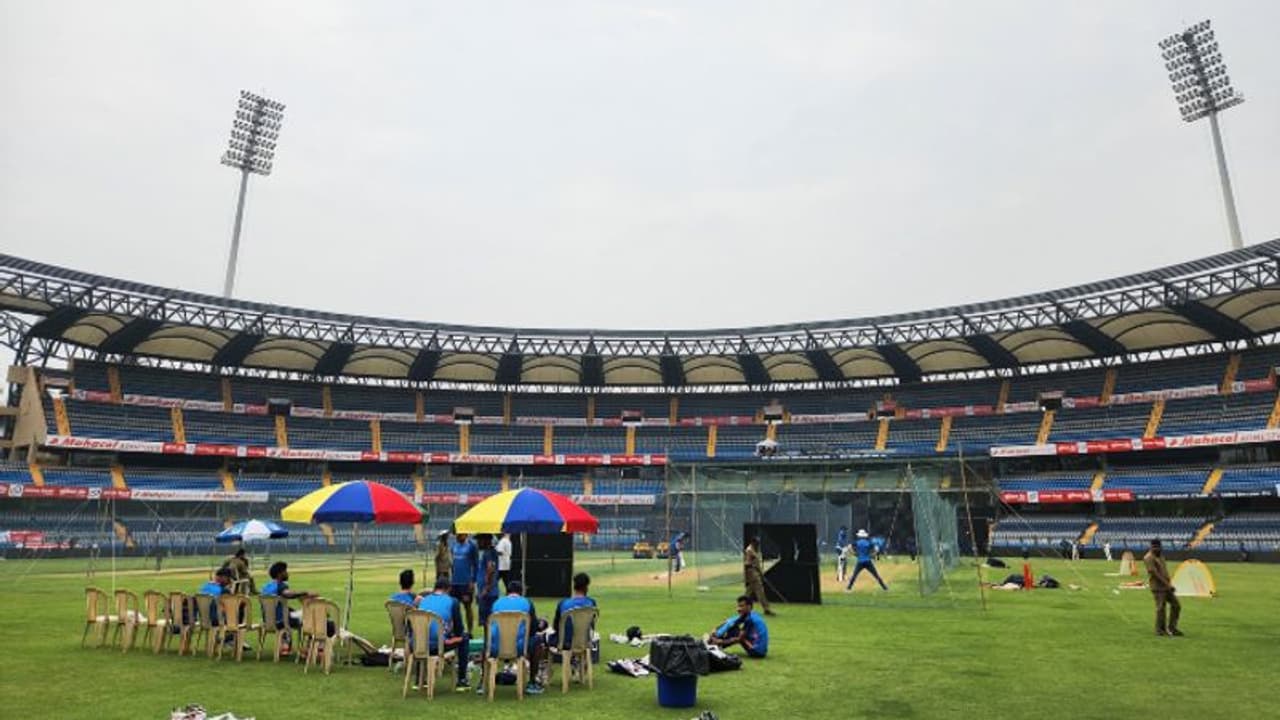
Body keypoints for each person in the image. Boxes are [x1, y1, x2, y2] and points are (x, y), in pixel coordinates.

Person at [488, 581, 548, 695]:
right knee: (537, 641)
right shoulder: (527, 603)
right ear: (521, 592)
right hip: (519, 648)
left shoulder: (496, 603)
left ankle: (482, 683)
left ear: (507, 592)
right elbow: (533, 630)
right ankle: (532, 682)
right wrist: (542, 623)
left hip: (496, 647)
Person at [416, 576, 473, 692]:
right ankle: (462, 680)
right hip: (438, 645)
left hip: (418, 644)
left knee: (425, 635)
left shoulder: (424, 600)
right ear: (448, 589)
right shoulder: (452, 601)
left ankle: (419, 679)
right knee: (464, 638)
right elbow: (459, 629)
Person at [262, 561, 321, 653]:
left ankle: (285, 644)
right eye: (285, 571)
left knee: (293, 613)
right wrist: (306, 593)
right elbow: (288, 594)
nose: (287, 573)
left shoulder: (266, 587)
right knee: (313, 616)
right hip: (282, 621)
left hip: (268, 620)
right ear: (280, 574)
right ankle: (310, 647)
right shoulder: (280, 586)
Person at [1143, 539, 1182, 637]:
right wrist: (1167, 585)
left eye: (1158, 547)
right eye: (1154, 547)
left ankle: (1172, 628)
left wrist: (1169, 582)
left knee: (1176, 605)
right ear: (1151, 547)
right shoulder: (1148, 557)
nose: (1156, 549)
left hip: (1166, 586)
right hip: (1158, 587)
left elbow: (1164, 570)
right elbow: (1154, 573)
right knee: (1161, 608)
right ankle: (1159, 630)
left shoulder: (1161, 556)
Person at [550, 572, 598, 650]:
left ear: (574, 586)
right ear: (586, 587)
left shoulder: (563, 603)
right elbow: (591, 624)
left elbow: (556, 626)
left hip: (564, 643)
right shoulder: (591, 603)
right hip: (584, 641)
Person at [450, 532, 479, 633]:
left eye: (460, 534)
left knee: (467, 607)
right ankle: (456, 631)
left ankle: (470, 631)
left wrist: (473, 581)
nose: (458, 536)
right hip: (454, 583)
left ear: (466, 534)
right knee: (453, 608)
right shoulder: (454, 546)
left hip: (466, 584)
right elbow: (453, 564)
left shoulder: (472, 546)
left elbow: (476, 565)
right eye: (457, 534)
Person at [743, 536, 775, 616]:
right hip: (752, 572)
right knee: (760, 590)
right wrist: (759, 573)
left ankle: (742, 605)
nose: (758, 545)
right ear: (753, 542)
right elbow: (748, 564)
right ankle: (766, 609)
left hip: (754, 571)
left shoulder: (754, 550)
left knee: (749, 591)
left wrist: (760, 572)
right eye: (757, 543)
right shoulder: (750, 550)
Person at [476, 534, 500, 629]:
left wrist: (486, 588)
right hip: (487, 592)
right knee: (487, 622)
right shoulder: (488, 552)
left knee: (487, 621)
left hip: (488, 593)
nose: (477, 543)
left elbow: (490, 569)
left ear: (486, 540)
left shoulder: (489, 552)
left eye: (479, 540)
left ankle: (488, 639)